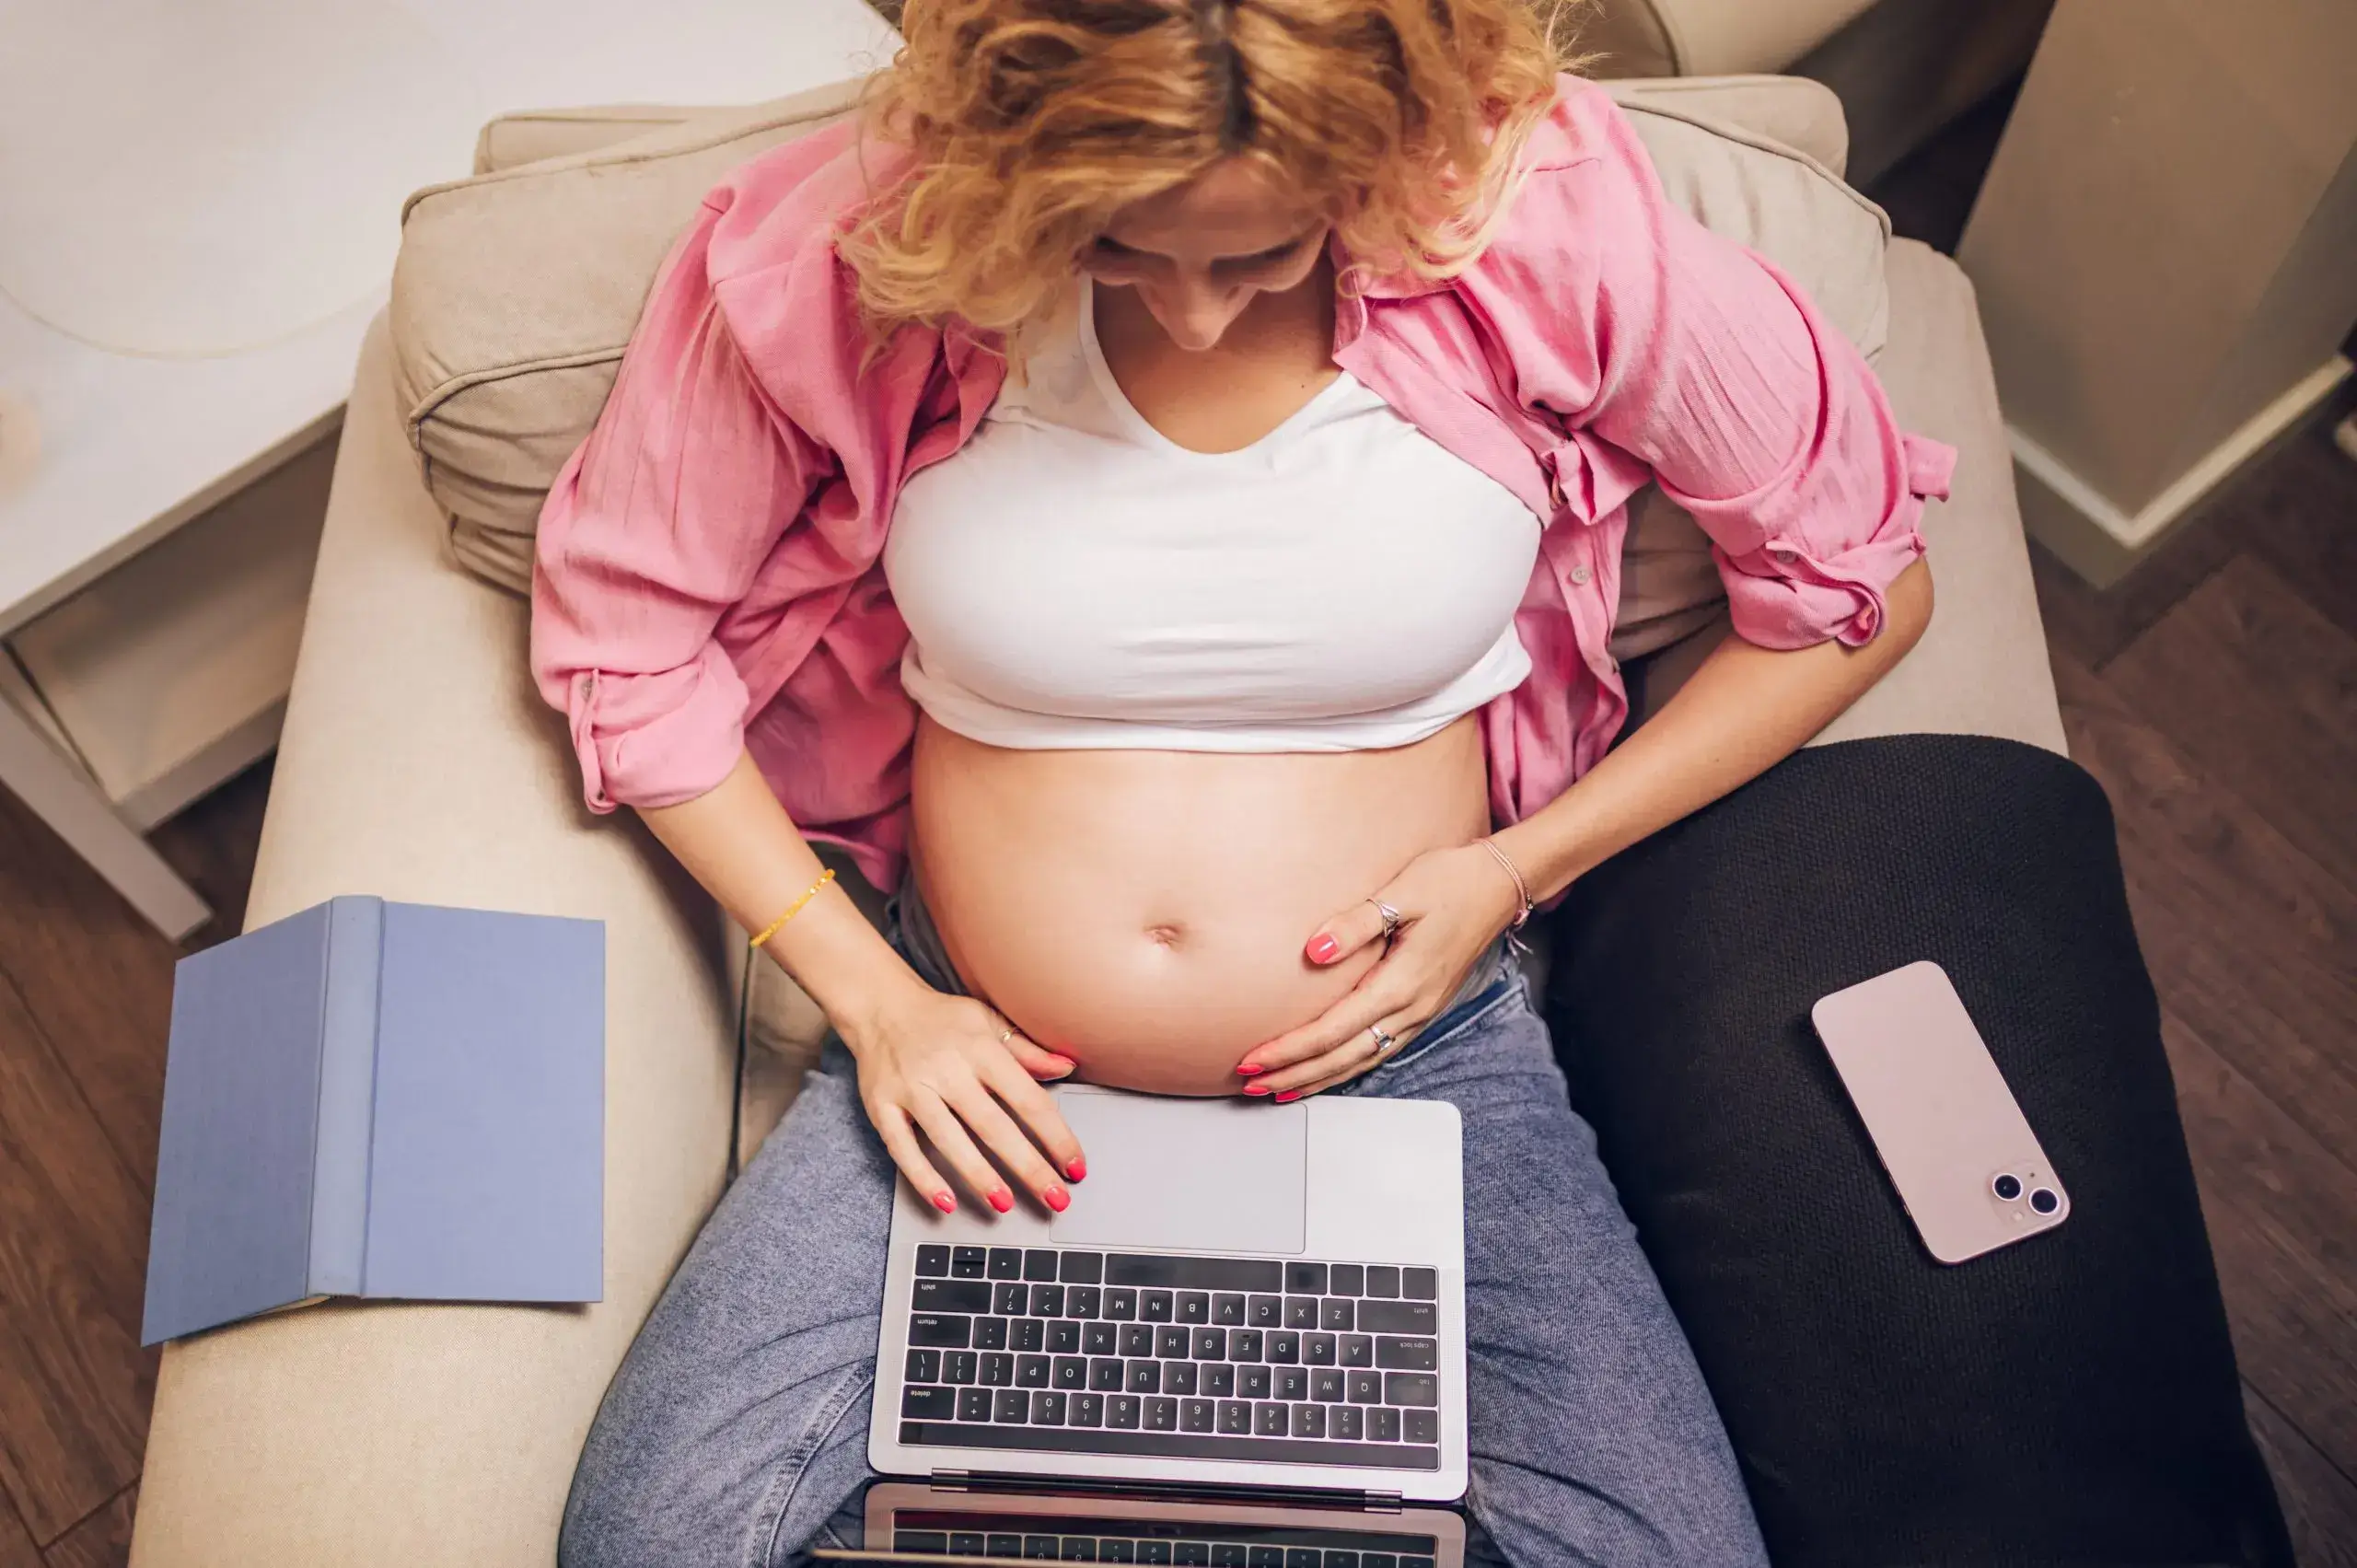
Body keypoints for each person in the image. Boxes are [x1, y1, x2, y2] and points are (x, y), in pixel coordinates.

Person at [534, 0, 1951, 1554]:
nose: (1195, 316)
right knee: (649, 1537)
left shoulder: (1536, 220)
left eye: (1263, 255)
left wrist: (1514, 868)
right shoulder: (860, 247)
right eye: (1119, 251)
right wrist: (876, 1000)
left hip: (1415, 1051)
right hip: (975, 1058)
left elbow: (1853, 584)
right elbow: (626, 643)